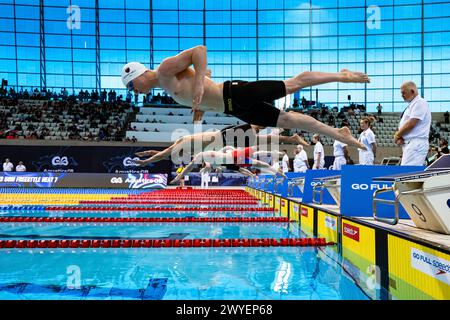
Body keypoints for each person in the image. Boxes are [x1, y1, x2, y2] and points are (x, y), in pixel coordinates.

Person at [121, 45, 369, 149]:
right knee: (289, 121)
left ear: (138, 75)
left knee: (292, 85)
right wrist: (202, 102)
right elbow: (205, 74)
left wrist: (198, 85)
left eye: (132, 87)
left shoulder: (164, 69)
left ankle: (341, 76)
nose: (135, 92)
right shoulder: (165, 85)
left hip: (235, 92)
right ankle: (340, 134)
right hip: (235, 109)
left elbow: (199, 51)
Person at [134, 124, 308, 166]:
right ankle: (291, 137)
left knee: (255, 129)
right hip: (224, 138)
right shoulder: (180, 145)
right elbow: (163, 152)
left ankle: (282, 124)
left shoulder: (181, 144)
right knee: (258, 139)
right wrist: (147, 153)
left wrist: (145, 162)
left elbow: (163, 154)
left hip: (223, 137)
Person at [171, 146, 286, 184]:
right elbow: (208, 166)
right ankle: (275, 170)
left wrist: (178, 177)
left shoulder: (201, 156)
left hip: (233, 156)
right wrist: (178, 177)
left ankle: (275, 165)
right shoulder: (205, 158)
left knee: (256, 158)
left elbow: (190, 168)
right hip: (232, 159)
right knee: (257, 162)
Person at [394, 81, 431, 166]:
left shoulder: (420, 102)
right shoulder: (412, 104)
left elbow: (411, 123)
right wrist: (401, 136)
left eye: (404, 93)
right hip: (410, 143)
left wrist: (397, 135)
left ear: (412, 91)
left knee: (407, 175)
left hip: (416, 143)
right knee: (406, 174)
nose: (402, 95)